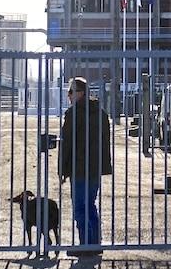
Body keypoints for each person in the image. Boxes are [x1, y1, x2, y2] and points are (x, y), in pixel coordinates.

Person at [58, 77, 111, 256]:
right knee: (90, 204)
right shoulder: (101, 113)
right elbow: (105, 141)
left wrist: (62, 169)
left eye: (71, 92)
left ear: (80, 93)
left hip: (79, 167)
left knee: (80, 207)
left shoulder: (73, 114)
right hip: (94, 167)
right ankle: (95, 243)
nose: (69, 96)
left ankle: (85, 245)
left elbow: (67, 145)